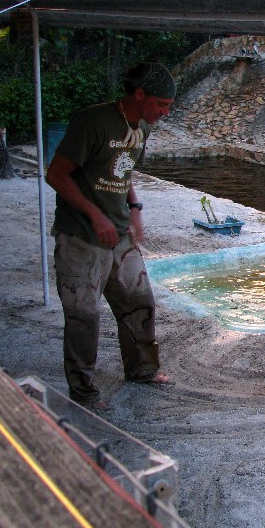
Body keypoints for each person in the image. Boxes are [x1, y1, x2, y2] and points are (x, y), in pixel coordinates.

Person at [45, 62, 176, 410]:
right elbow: (56, 174)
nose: (164, 112)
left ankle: (143, 370)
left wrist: (134, 208)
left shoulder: (141, 129)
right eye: (161, 104)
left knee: (139, 302)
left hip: (118, 234)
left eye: (168, 106)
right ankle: (84, 392)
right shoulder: (94, 122)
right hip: (80, 236)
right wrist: (95, 214)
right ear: (139, 94)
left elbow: (124, 170)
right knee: (83, 315)